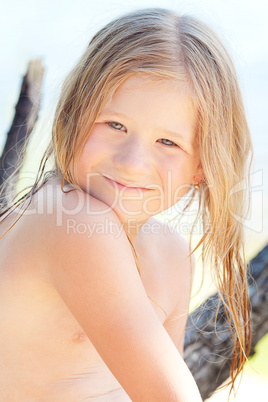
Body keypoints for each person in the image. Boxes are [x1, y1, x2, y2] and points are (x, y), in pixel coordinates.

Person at [0, 7, 252, 401]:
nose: (132, 162)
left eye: (168, 142)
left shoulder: (172, 254)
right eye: (115, 125)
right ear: (73, 115)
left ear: (202, 165)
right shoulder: (69, 221)